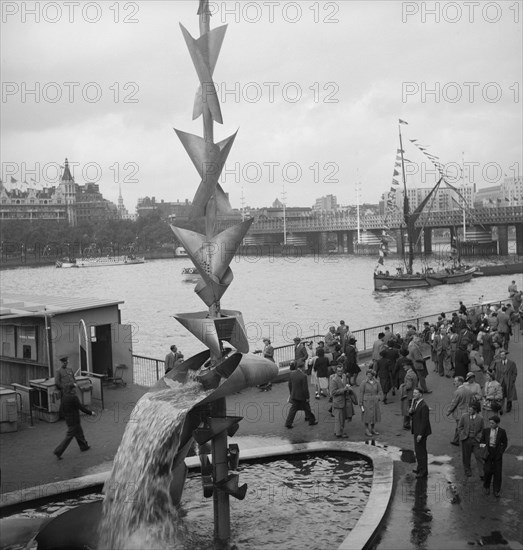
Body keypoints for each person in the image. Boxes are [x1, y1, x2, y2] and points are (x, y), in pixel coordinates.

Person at [53, 383, 96, 459]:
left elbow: (61, 408)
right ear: (72, 389)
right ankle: (58, 451)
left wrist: (65, 416)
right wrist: (90, 413)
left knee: (79, 433)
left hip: (68, 419)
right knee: (69, 436)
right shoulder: (74, 397)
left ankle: (84, 446)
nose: (75, 390)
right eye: (74, 389)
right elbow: (81, 407)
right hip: (74, 420)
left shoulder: (64, 396)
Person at [480, 415, 508, 497]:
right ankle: (486, 487)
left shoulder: (502, 432)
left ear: (497, 423)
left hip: (497, 453)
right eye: (490, 423)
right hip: (488, 452)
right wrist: (484, 449)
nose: (490, 424)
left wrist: (501, 452)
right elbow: (481, 441)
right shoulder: (486, 431)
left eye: (492, 423)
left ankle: (496, 490)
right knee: (487, 471)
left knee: (497, 472)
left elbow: (505, 443)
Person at [284, 362, 318, 429]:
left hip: (294, 395)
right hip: (302, 396)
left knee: (293, 410)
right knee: (307, 408)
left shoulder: (291, 374)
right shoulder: (303, 376)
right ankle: (311, 420)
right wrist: (307, 397)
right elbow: (305, 388)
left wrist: (291, 393)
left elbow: (289, 385)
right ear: (302, 367)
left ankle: (288, 422)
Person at [457, 401, 485, 477]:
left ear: (475, 410)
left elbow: (483, 429)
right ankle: (467, 470)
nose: (469, 411)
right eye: (468, 409)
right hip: (466, 439)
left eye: (471, 409)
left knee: (478, 456)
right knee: (466, 456)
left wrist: (479, 436)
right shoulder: (464, 416)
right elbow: (460, 427)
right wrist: (463, 434)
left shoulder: (480, 418)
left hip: (476, 440)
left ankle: (482, 473)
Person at [446, 376, 475, 446]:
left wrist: (449, 411)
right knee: (461, 426)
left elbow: (454, 403)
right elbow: (472, 401)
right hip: (468, 411)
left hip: (460, 413)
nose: (454, 383)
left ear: (460, 382)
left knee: (460, 428)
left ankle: (466, 442)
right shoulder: (469, 391)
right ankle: (456, 440)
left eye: (455, 381)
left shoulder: (458, 392)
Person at [329, 364, 356, 438]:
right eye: (338, 371)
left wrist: (347, 387)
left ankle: (337, 431)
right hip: (338, 402)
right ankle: (340, 433)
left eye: (341, 371)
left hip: (344, 400)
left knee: (340, 418)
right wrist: (343, 390)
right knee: (340, 419)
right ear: (336, 371)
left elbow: (345, 384)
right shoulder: (334, 380)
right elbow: (333, 392)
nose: (340, 372)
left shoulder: (344, 376)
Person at [410, 388, 432, 478]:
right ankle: (420, 467)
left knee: (421, 451)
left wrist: (420, 434)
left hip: (420, 432)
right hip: (416, 430)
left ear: (420, 394)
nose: (414, 394)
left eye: (416, 393)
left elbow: (424, 421)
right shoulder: (415, 402)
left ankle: (423, 471)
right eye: (413, 393)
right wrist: (411, 412)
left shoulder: (424, 406)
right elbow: (414, 414)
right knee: (418, 451)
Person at [359, 369, 383, 437]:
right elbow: (361, 393)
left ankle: (373, 428)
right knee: (367, 415)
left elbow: (380, 391)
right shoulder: (364, 383)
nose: (369, 376)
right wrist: (360, 402)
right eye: (367, 374)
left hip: (374, 401)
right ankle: (367, 429)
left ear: (373, 375)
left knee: (374, 415)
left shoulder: (377, 382)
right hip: (366, 401)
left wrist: (378, 397)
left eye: (370, 374)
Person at [400, 359, 418, 430]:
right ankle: (408, 424)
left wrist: (402, 386)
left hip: (408, 395)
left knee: (407, 410)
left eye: (405, 365)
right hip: (413, 394)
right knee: (410, 409)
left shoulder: (408, 375)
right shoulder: (413, 373)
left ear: (408, 366)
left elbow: (409, 386)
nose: (404, 367)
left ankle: (406, 424)